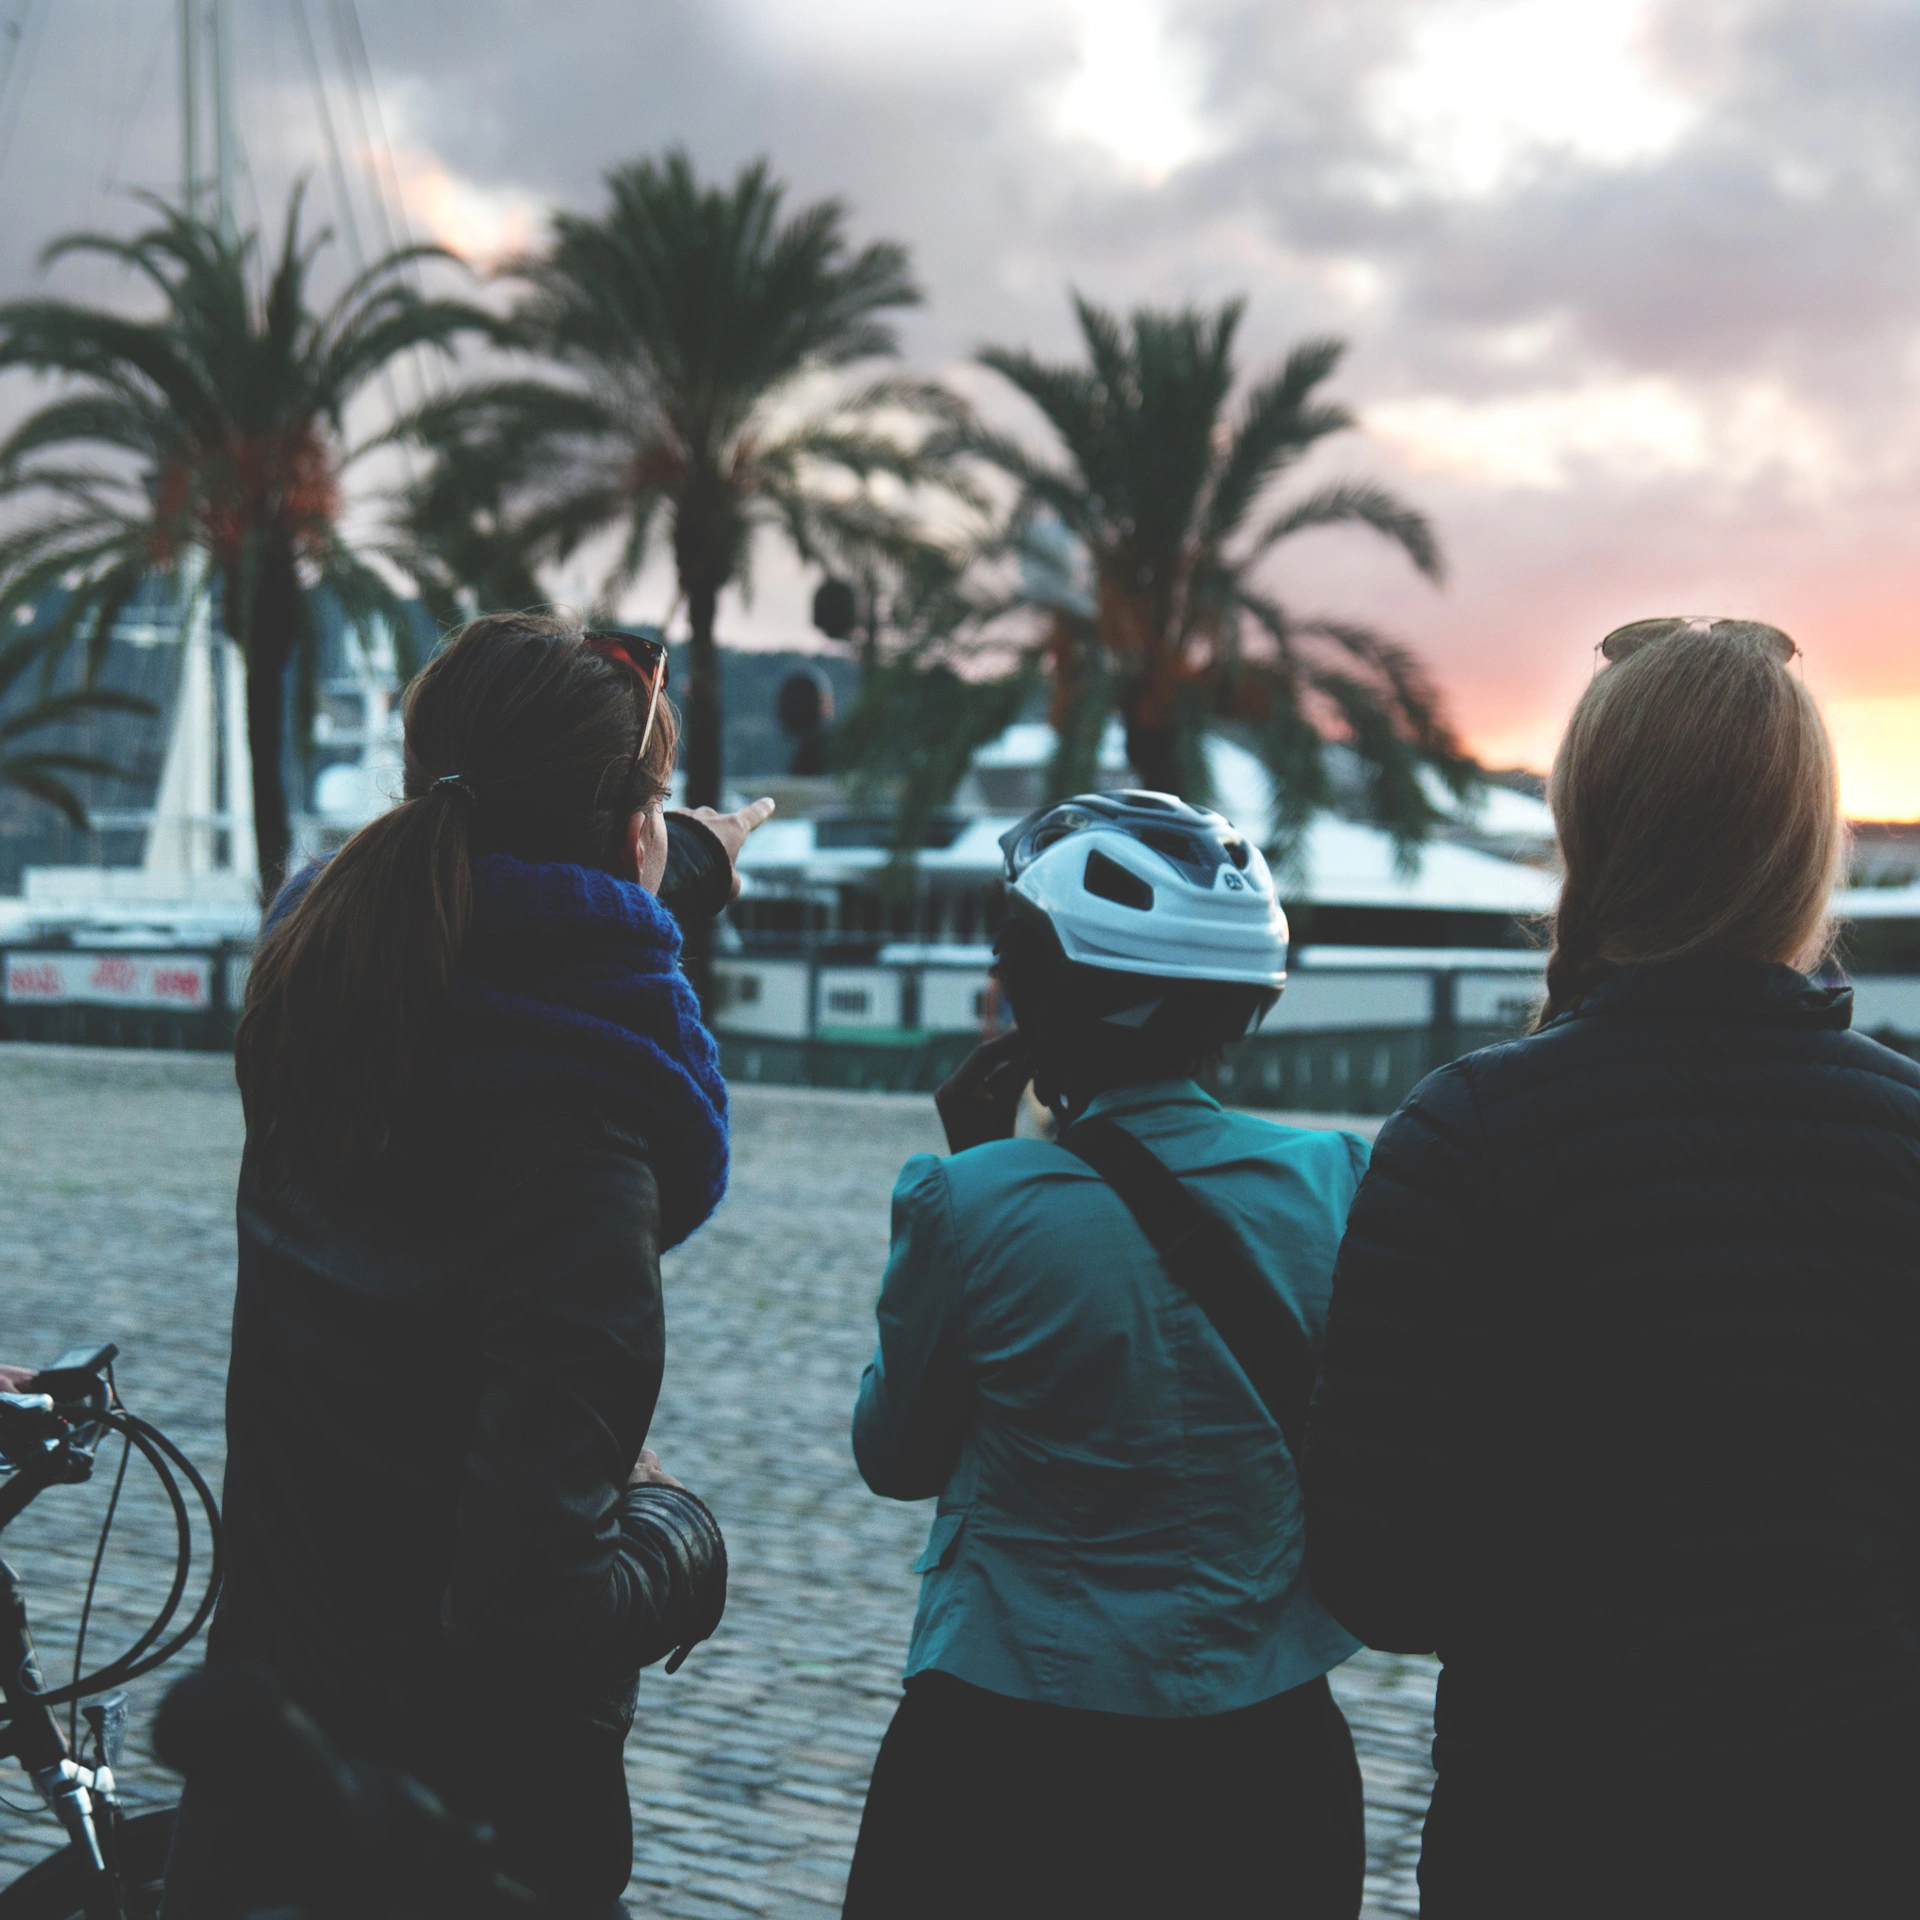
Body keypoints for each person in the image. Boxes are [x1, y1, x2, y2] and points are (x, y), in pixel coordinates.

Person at [1302, 618, 1920, 1918]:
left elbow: (1375, 1572)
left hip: (1553, 1831)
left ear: (1589, 829)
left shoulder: (1462, 1135)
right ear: (1810, 845)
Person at [162, 613, 772, 1919]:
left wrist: (675, 856)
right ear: (631, 839)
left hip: (265, 1769)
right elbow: (528, 1608)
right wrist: (682, 1534)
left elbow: (488, 926)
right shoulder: (586, 1151)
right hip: (457, 1837)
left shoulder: (318, 1024)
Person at [845, 793, 1370, 1920]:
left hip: (1009, 1744)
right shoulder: (1337, 1181)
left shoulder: (960, 1199)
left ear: (1042, 996)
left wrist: (982, 1169)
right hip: (1268, 1752)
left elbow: (896, 1453)